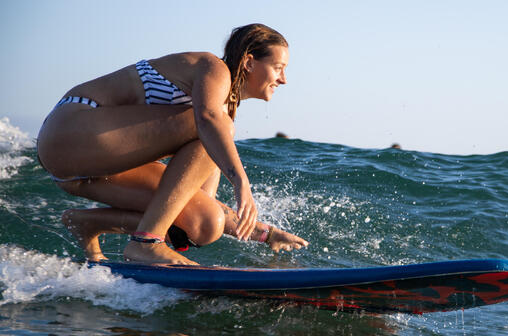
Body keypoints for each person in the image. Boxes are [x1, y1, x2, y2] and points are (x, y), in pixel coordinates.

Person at [36, 23, 308, 265]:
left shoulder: (219, 111)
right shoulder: (214, 70)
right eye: (278, 68)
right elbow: (208, 119)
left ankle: (87, 224)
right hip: (71, 129)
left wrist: (267, 233)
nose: (283, 79)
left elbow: (191, 199)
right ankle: (146, 244)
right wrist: (241, 182)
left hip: (88, 168)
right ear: (249, 62)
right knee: (218, 127)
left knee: (204, 223)